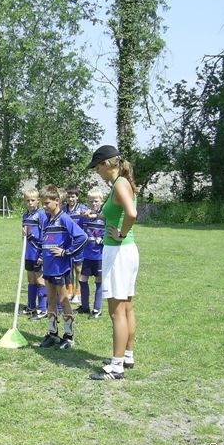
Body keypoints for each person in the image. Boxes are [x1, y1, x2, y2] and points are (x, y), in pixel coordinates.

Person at [87, 145, 139, 380]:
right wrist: (98, 216)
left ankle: (116, 366)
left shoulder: (119, 183)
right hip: (126, 252)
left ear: (108, 164)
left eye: (97, 166)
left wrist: (120, 233)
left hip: (119, 251)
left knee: (116, 311)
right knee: (126, 307)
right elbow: (119, 212)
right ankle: (127, 355)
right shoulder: (121, 183)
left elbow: (131, 213)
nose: (97, 171)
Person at [27, 185, 87, 350]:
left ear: (57, 201)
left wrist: (66, 252)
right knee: (50, 300)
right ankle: (52, 333)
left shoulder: (65, 218)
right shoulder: (47, 220)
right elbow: (43, 243)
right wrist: (30, 237)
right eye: (43, 203)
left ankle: (68, 336)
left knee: (63, 299)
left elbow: (82, 237)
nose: (44, 206)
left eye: (47, 203)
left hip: (60, 268)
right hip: (48, 268)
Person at [21, 189, 49, 321]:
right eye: (27, 200)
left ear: (38, 201)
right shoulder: (25, 215)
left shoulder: (41, 215)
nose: (30, 203)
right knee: (31, 280)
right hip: (28, 254)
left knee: (40, 280)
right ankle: (31, 306)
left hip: (38, 253)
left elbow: (45, 235)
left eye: (33, 200)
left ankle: (42, 309)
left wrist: (42, 255)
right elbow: (25, 233)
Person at [78, 189, 105, 319]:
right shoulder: (84, 216)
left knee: (99, 280)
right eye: (91, 201)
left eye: (96, 201)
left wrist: (103, 240)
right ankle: (84, 307)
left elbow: (111, 231)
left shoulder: (104, 216)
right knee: (82, 279)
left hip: (100, 255)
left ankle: (97, 309)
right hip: (87, 255)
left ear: (101, 201)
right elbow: (77, 230)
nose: (93, 203)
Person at [63, 184, 88, 304]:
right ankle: (70, 290)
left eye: (73, 196)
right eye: (68, 197)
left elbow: (87, 226)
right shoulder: (63, 209)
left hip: (78, 244)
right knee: (68, 268)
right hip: (67, 243)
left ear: (77, 197)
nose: (70, 199)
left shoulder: (82, 209)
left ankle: (78, 292)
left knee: (78, 268)